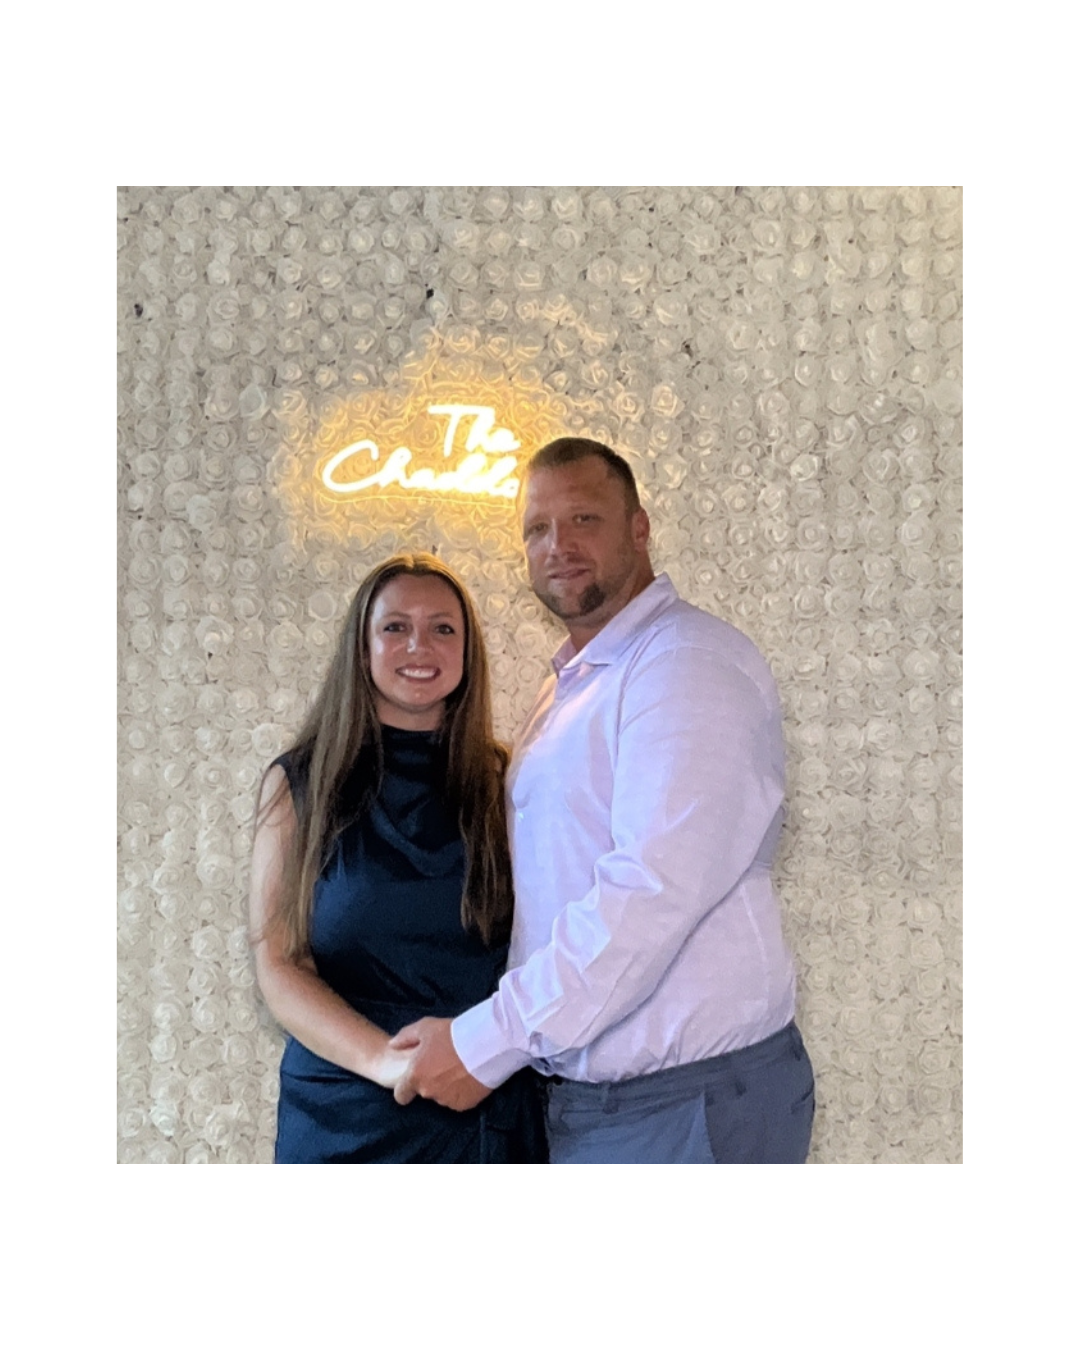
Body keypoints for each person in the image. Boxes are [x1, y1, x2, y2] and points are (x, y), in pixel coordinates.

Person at [391, 440, 815, 1163]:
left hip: (686, 1106)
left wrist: (485, 1042)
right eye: (537, 529)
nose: (558, 545)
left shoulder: (685, 663)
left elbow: (649, 892)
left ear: (640, 528)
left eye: (584, 518)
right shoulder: (577, 682)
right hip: (612, 1104)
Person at [249, 552, 547, 1163]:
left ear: (467, 655)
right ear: (362, 648)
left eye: (443, 628)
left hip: (481, 1108)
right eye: (395, 627)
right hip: (339, 1116)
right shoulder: (299, 783)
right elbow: (278, 962)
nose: (421, 645)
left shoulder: (509, 781)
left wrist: (473, 1055)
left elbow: (549, 950)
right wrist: (386, 1062)